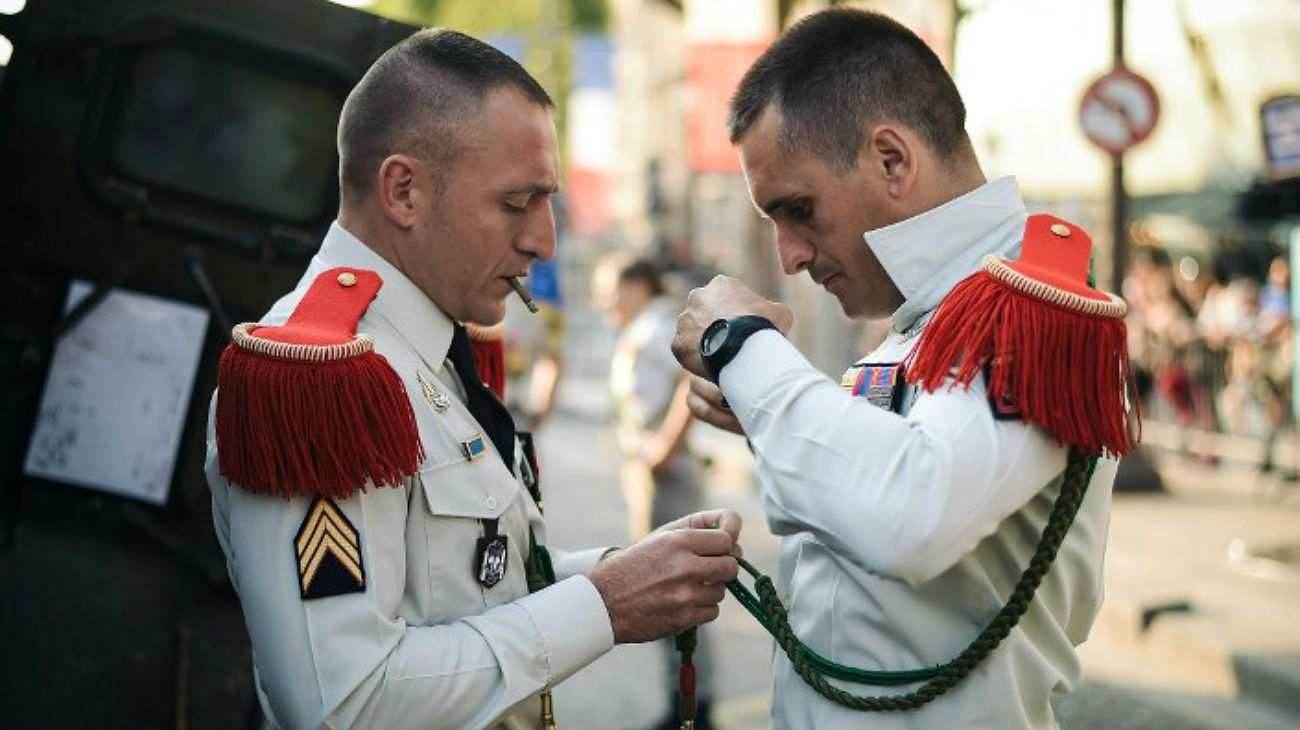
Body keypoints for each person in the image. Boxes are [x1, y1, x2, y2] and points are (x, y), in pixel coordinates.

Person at [204, 29, 740, 730]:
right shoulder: (319, 379)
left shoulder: (431, 346)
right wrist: (602, 605)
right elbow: (342, 703)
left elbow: (471, 583)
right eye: (517, 203)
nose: (543, 241)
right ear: (403, 191)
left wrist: (630, 571)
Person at [670, 9, 1125, 730]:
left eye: (798, 209)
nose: (788, 254)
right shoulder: (939, 313)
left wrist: (741, 346)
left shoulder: (1033, 307)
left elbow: (910, 516)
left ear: (892, 159)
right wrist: (767, 410)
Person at [591, 255, 717, 729]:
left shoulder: (664, 325)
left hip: (670, 475)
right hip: (648, 474)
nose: (606, 303)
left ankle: (695, 708)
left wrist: (665, 444)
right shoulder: (640, 326)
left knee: (682, 592)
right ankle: (683, 701)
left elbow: (694, 374)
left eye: (611, 292)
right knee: (667, 594)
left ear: (639, 285)